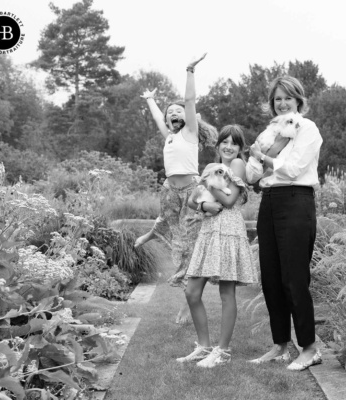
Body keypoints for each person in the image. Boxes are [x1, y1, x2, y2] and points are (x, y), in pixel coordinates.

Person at [246, 76, 323, 371]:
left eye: (287, 98)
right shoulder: (269, 131)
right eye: (277, 99)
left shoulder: (308, 129)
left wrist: (264, 156)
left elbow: (292, 170)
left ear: (299, 100)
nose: (282, 103)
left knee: (294, 278)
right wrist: (261, 158)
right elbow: (253, 175)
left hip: (296, 200)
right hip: (270, 202)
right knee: (271, 278)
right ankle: (280, 345)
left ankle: (310, 348)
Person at [135, 53, 217, 324]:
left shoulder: (190, 133)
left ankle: (187, 303)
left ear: (189, 117)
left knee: (188, 247)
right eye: (171, 112)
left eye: (178, 110)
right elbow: (158, 116)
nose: (173, 113)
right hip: (169, 191)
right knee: (178, 245)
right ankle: (153, 235)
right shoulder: (169, 136)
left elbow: (190, 101)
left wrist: (190, 71)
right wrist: (150, 99)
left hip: (192, 192)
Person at [176, 125, 258, 368]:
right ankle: (204, 346)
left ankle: (222, 350)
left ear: (240, 148)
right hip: (209, 230)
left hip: (229, 230)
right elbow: (192, 200)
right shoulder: (212, 168)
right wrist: (204, 206)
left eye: (234, 143)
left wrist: (210, 185)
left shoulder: (237, 166)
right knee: (191, 292)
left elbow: (230, 201)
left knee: (226, 293)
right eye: (225, 142)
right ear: (218, 145)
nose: (229, 147)